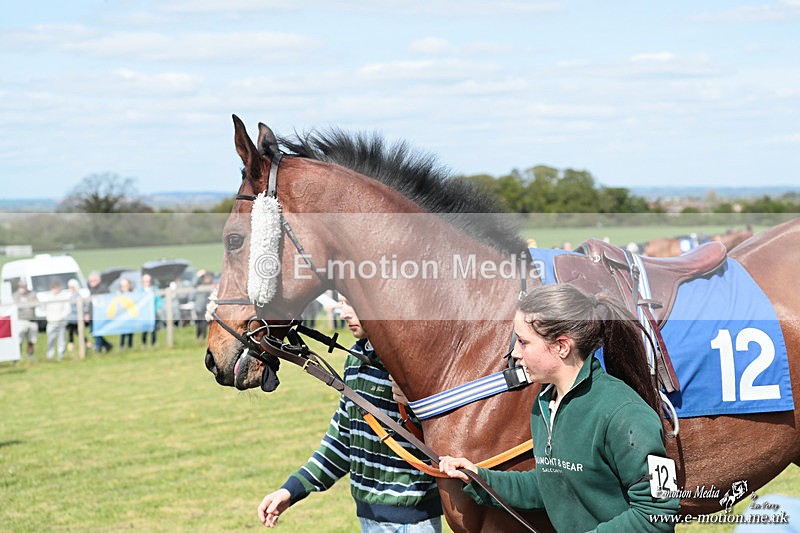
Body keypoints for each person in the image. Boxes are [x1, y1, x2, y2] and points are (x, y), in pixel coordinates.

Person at [439, 284, 680, 532]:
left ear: (562, 346)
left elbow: (659, 514)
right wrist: (479, 477)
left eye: (523, 342)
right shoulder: (544, 403)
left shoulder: (627, 413)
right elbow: (551, 482)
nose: (514, 353)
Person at [258, 298, 443, 532]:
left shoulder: (414, 360)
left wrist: (416, 403)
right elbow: (343, 440)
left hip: (414, 523)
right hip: (369, 518)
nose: (344, 312)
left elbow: (446, 437)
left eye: (352, 302)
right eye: (342, 302)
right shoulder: (355, 358)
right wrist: (291, 490)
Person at [87, 272, 113, 353]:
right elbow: (89, 304)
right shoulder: (89, 290)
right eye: (90, 281)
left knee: (97, 331)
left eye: (93, 281)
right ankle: (107, 345)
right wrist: (87, 313)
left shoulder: (103, 289)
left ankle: (98, 349)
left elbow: (108, 302)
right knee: (93, 331)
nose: (92, 283)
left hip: (100, 315)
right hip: (92, 315)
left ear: (98, 280)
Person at [45, 281, 71, 361]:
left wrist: (61, 317)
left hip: (61, 322)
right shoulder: (48, 297)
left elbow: (67, 309)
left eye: (56, 288)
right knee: (50, 340)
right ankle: (49, 356)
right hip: (51, 322)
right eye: (54, 288)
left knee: (61, 340)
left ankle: (60, 356)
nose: (55, 290)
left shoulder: (63, 297)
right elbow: (46, 309)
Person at [13, 282, 39, 361]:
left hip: (32, 320)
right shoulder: (16, 295)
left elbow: (36, 303)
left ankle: (31, 357)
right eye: (21, 286)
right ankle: (17, 357)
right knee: (18, 340)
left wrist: (25, 305)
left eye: (24, 286)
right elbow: (15, 305)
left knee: (31, 340)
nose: (23, 288)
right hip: (21, 320)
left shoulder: (32, 294)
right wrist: (27, 305)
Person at [140, 274, 162, 347]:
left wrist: (159, 308)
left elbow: (159, 300)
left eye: (148, 281)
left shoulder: (155, 289)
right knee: (144, 330)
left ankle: (153, 344)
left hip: (153, 312)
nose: (147, 283)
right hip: (144, 314)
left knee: (153, 329)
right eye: (145, 281)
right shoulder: (139, 291)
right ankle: (144, 344)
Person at [193, 270, 214, 339]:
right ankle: (199, 337)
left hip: (207, 307)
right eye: (206, 277)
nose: (208, 279)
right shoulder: (200, 285)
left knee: (204, 323)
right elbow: (193, 283)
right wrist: (198, 275)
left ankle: (203, 337)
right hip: (200, 307)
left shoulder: (211, 286)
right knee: (200, 322)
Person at [65, 279, 82, 352]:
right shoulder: (72, 295)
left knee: (77, 333)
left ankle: (87, 345)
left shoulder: (77, 295)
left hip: (75, 318)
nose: (71, 289)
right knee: (71, 333)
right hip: (71, 318)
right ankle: (70, 348)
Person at [118, 277, 134, 350]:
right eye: (123, 286)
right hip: (122, 316)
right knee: (123, 332)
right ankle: (122, 346)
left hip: (130, 316)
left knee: (130, 331)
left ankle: (130, 346)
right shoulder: (118, 295)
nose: (124, 287)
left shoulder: (133, 294)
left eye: (126, 285)